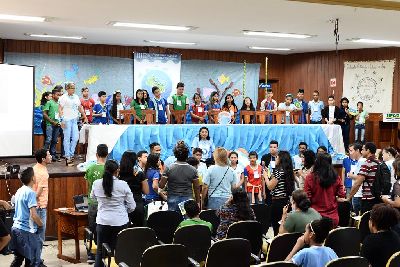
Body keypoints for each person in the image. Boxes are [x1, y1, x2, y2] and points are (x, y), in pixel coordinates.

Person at [91, 160, 136, 267]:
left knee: (101, 251)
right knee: (120, 251)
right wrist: (124, 211)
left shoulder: (96, 184)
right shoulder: (123, 185)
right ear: (117, 171)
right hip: (120, 222)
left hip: (102, 221)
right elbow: (132, 206)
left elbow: (93, 198)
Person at [10, 167, 43, 267]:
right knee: (32, 261)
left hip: (15, 228)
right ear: (33, 178)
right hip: (26, 231)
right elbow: (34, 215)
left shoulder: (19, 191)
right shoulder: (31, 193)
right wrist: (41, 225)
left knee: (19, 258)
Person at [304, 153, 346, 227]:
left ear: (316, 162)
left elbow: (307, 198)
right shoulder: (336, 177)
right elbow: (341, 194)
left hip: (315, 217)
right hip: (333, 217)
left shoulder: (310, 177)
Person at [159, 141, 200, 211]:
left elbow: (161, 185)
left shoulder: (169, 168)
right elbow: (197, 188)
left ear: (175, 155)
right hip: (188, 200)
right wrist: (198, 202)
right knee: (186, 220)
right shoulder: (193, 170)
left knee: (174, 220)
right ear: (187, 155)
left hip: (172, 199)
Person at [84, 144, 108, 264]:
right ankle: (104, 254)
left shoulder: (90, 168)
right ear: (107, 155)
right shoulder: (109, 169)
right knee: (103, 229)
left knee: (92, 228)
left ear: (96, 154)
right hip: (104, 203)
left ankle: (91, 255)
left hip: (92, 203)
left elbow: (87, 186)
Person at [264, 151, 295, 235]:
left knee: (276, 228)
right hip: (286, 201)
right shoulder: (289, 171)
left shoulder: (278, 170)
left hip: (277, 203)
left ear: (281, 159)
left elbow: (270, 186)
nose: (276, 158)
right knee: (285, 228)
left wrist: (265, 176)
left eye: (277, 157)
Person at [347, 142, 383, 213]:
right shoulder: (378, 162)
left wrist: (349, 197)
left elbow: (358, 182)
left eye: (363, 149)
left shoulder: (367, 163)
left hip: (368, 198)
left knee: (365, 220)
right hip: (378, 196)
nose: (361, 151)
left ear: (368, 150)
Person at [58, 82, 88, 166]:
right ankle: (68, 156)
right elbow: (60, 109)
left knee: (75, 137)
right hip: (66, 120)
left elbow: (79, 107)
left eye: (74, 88)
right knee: (67, 138)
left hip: (74, 120)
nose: (73, 89)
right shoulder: (63, 97)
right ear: (67, 88)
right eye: (72, 88)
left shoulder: (76, 97)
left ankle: (71, 154)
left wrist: (85, 116)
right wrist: (62, 120)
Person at [119, 151, 149, 227]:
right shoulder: (139, 174)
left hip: (122, 205)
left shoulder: (119, 174)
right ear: (134, 160)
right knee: (138, 232)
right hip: (137, 205)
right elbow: (146, 191)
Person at [32, 149, 51, 266]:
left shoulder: (35, 168)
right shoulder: (43, 173)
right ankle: (37, 262)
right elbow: (38, 192)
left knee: (35, 236)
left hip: (35, 207)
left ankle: (35, 259)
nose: (51, 156)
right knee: (40, 237)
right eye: (48, 155)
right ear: (43, 159)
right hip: (40, 207)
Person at [42, 87, 62, 162]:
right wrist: (51, 121)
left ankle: (52, 155)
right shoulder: (49, 102)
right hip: (49, 124)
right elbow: (44, 114)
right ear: (53, 95)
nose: (59, 96)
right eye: (57, 95)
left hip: (57, 124)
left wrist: (60, 122)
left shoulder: (59, 103)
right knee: (48, 140)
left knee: (54, 140)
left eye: (60, 95)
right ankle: (43, 155)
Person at [346, 143, 364, 215]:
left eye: (351, 150)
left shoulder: (362, 161)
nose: (350, 153)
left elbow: (360, 177)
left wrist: (351, 175)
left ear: (357, 151)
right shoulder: (358, 161)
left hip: (359, 193)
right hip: (356, 193)